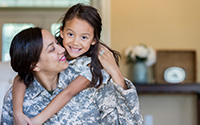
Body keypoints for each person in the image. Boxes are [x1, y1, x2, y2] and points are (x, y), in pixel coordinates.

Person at [11, 3, 143, 125]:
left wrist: (36, 120)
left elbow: (68, 92)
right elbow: (21, 77)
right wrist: (17, 111)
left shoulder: (92, 65)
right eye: (70, 34)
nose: (75, 42)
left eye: (84, 37)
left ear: (93, 40)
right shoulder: (53, 49)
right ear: (62, 32)